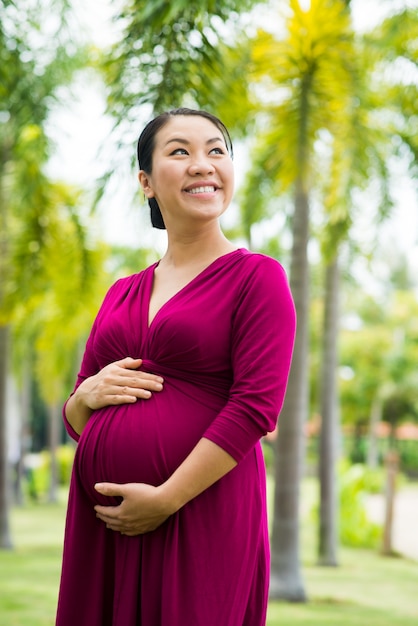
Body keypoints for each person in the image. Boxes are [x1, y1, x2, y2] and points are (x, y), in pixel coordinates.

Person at [55, 107, 296, 626]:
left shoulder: (258, 278)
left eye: (216, 151)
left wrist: (165, 499)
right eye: (180, 151)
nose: (203, 164)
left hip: (199, 511)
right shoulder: (122, 292)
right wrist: (85, 397)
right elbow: (77, 420)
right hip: (106, 525)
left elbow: (256, 409)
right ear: (146, 181)